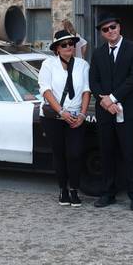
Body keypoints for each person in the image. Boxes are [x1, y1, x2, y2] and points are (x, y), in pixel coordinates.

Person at [88, 12, 133, 211]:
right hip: (105, 111)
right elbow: (93, 81)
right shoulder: (97, 53)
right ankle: (108, 193)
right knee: (106, 153)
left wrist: (112, 98)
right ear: (102, 33)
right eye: (105, 29)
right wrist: (104, 101)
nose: (110, 31)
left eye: (113, 27)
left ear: (119, 27)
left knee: (129, 153)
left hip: (127, 110)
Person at [38, 30, 91, 207]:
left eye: (71, 43)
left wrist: (83, 114)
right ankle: (63, 190)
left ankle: (74, 189)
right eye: (64, 44)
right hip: (54, 117)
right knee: (59, 154)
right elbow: (46, 90)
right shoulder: (48, 64)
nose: (69, 47)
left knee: (74, 154)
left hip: (76, 116)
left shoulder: (83, 65)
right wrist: (61, 112)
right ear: (57, 49)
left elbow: (86, 90)